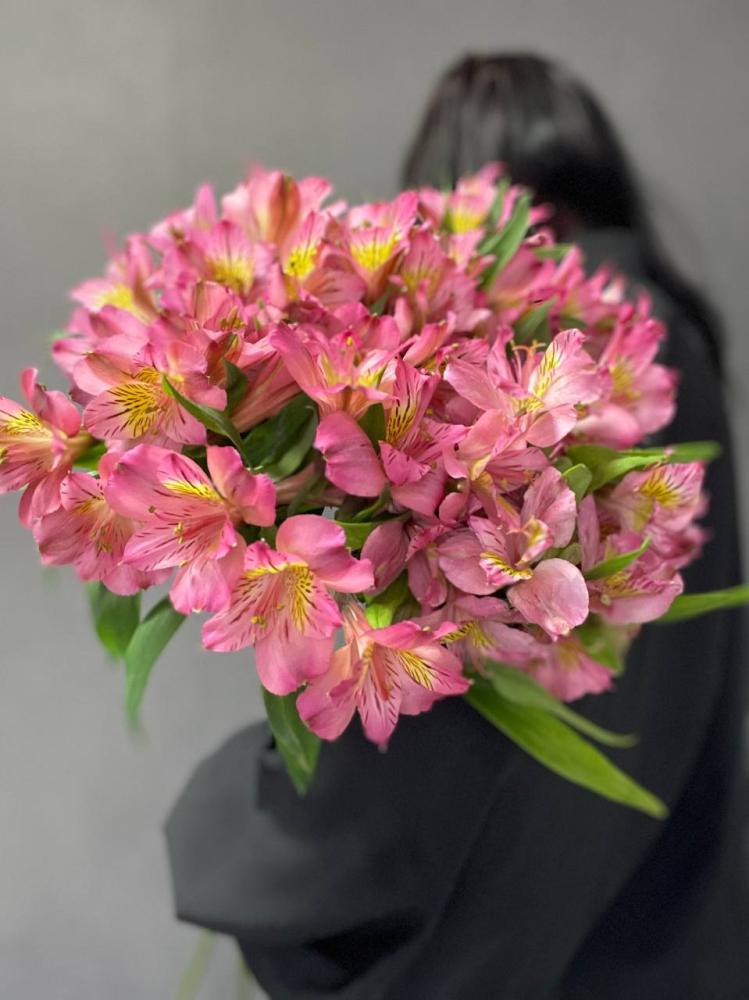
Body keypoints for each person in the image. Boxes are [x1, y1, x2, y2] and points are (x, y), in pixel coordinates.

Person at [166, 55, 746, 999]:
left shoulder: (569, 332)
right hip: (673, 929)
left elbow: (454, 677)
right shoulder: (669, 338)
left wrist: (264, 820)